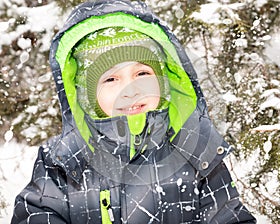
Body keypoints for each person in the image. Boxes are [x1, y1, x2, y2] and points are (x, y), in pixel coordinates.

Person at [11, 0, 257, 223]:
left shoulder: (194, 151)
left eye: (142, 74)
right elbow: (36, 214)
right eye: (110, 79)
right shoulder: (64, 160)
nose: (131, 90)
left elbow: (228, 215)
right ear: (86, 95)